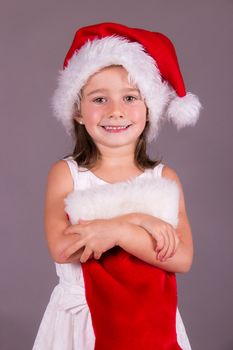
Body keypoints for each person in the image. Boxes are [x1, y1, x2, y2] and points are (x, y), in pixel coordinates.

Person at [32, 22, 202, 350]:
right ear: (78, 111)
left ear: (148, 108)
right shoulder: (67, 174)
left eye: (129, 97)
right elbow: (64, 248)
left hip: (151, 323)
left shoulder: (164, 179)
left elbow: (181, 258)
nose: (115, 111)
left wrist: (119, 232)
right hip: (83, 325)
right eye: (99, 99)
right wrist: (139, 222)